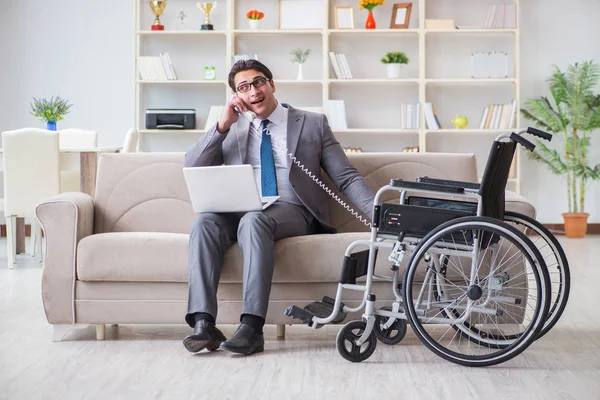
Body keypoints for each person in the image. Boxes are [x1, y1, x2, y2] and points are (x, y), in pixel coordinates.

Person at [182, 59, 375, 355]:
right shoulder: (231, 126)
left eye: (258, 82)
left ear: (272, 85)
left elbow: (346, 177)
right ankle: (203, 323)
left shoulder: (311, 122)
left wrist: (379, 214)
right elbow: (193, 166)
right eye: (243, 87)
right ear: (237, 96)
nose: (253, 91)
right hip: (239, 207)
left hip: (291, 210)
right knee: (204, 222)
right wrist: (222, 126)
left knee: (254, 221)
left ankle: (252, 327)